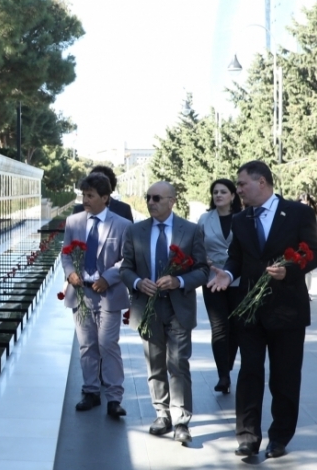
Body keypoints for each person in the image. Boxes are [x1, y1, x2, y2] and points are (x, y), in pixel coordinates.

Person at [208, 160, 317, 458]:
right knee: (250, 372)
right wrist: (228, 275)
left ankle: (280, 437)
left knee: (284, 376)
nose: (238, 190)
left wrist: (292, 270)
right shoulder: (242, 219)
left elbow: (314, 251)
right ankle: (247, 436)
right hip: (250, 310)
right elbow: (236, 257)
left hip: (287, 311)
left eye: (242, 184)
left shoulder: (298, 213)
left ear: (262, 183)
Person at [120, 181, 208, 445]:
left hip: (178, 305)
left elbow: (203, 270)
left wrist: (178, 281)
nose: (151, 202)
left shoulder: (191, 231)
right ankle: (162, 413)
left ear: (172, 200)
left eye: (157, 198)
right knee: (155, 363)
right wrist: (137, 282)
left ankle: (181, 420)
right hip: (147, 308)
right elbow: (126, 268)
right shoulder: (135, 231)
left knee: (178, 363)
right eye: (148, 197)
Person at [61, 173, 132, 418]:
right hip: (81, 293)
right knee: (86, 345)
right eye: (83, 195)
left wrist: (107, 278)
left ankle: (114, 398)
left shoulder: (122, 225)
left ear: (105, 197)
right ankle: (90, 391)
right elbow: (66, 254)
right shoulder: (74, 222)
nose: (85, 200)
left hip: (109, 295)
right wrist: (70, 273)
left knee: (107, 345)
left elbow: (127, 260)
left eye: (90, 196)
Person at [197, 179, 243, 394]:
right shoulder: (205, 219)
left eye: (223, 191)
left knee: (235, 326)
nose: (218, 195)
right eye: (215, 192)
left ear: (233, 196)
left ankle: (227, 365)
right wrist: (202, 259)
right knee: (219, 327)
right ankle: (223, 375)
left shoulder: (243, 218)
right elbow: (195, 246)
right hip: (213, 279)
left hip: (239, 279)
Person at [298, 192, 317, 298]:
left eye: (307, 204)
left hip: (311, 245)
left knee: (309, 271)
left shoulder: (312, 215)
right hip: (299, 246)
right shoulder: (294, 214)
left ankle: (307, 291)